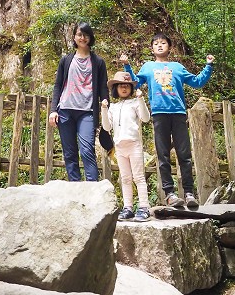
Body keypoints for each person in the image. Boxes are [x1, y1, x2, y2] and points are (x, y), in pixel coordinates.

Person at [121, 32, 215, 208]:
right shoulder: (148, 67)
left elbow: (197, 82)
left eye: (163, 43)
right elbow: (135, 83)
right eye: (156, 43)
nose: (159, 45)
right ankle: (170, 194)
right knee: (163, 155)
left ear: (169, 47)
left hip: (178, 113)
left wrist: (208, 66)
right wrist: (127, 66)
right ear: (152, 48)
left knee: (184, 155)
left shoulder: (177, 67)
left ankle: (189, 193)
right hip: (159, 114)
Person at [49, 21, 109, 181]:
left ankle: (93, 188)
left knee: (87, 150)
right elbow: (58, 86)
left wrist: (105, 103)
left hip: (87, 111)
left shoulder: (98, 62)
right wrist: (53, 110)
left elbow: (103, 86)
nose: (82, 38)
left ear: (90, 37)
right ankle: (75, 186)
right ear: (74, 37)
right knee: (69, 152)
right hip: (65, 110)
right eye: (79, 35)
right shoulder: (66, 60)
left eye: (86, 35)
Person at [101, 70, 151, 221]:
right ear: (115, 89)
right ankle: (128, 207)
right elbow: (107, 127)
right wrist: (103, 109)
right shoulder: (113, 107)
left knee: (139, 177)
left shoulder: (135, 103)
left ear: (131, 88)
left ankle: (144, 207)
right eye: (120, 86)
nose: (124, 88)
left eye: (127, 86)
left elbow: (145, 118)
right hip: (120, 147)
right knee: (125, 178)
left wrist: (141, 99)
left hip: (134, 144)